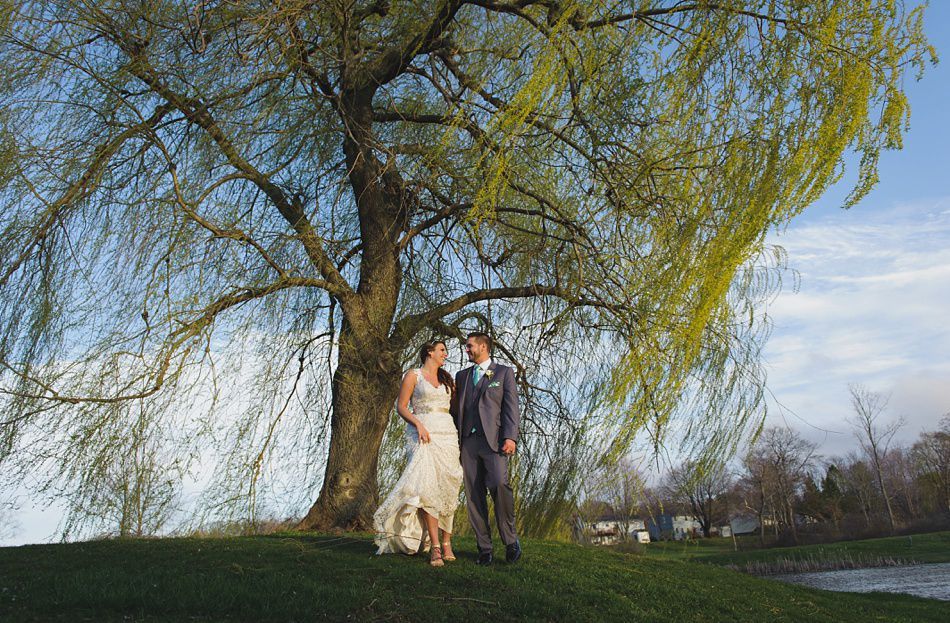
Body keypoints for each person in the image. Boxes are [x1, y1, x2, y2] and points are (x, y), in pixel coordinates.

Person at [373, 340, 463, 567]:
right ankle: (435, 546)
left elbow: (454, 408)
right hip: (422, 433)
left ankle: (447, 541)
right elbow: (401, 406)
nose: (446, 353)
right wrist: (418, 425)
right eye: (442, 350)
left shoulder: (446, 379)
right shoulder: (413, 375)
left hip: (447, 434)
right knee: (427, 487)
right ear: (429, 352)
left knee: (449, 484)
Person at [451, 332, 522, 565]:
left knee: (500, 485)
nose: (466, 349)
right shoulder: (461, 376)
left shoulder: (503, 373)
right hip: (468, 444)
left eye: (470, 346)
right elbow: (454, 411)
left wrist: (510, 437)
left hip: (495, 443)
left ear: (483, 346)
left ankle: (510, 541)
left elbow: (511, 408)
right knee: (474, 495)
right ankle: (484, 548)